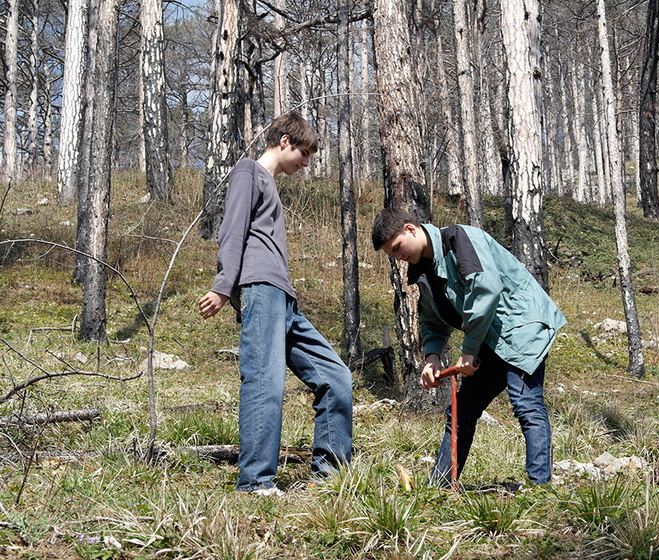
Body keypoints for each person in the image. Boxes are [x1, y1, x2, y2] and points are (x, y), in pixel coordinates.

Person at [199, 112, 353, 496]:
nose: (305, 163)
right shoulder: (248, 171)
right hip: (260, 289)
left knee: (336, 378)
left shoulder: (267, 182)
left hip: (283, 297)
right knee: (265, 382)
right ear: (284, 141)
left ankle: (329, 478)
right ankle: (255, 482)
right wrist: (222, 286)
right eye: (303, 153)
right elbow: (232, 230)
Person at [371, 208, 566, 486]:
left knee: (527, 405)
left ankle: (540, 490)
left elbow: (486, 290)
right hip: (489, 338)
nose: (399, 258)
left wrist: (469, 350)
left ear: (411, 229)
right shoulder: (423, 272)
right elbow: (431, 321)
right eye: (393, 256)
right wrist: (432, 356)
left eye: (398, 249)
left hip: (522, 328)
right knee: (461, 412)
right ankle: (437, 488)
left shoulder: (461, 239)